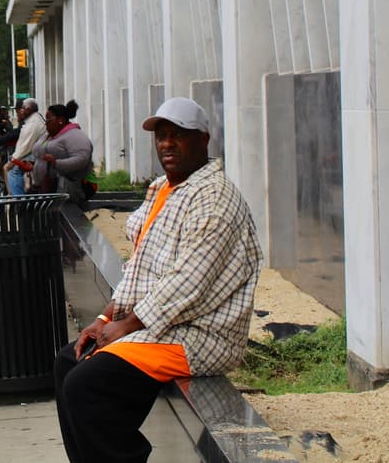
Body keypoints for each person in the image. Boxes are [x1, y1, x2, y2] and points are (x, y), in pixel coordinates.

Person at [53, 97, 261, 463]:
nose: (167, 143)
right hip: (161, 326)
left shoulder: (214, 199)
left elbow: (189, 282)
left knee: (87, 384)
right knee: (69, 361)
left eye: (178, 135)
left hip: (199, 335)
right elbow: (141, 265)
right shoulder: (165, 188)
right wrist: (104, 320)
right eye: (161, 136)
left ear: (203, 140)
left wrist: (127, 325)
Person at [30, 100, 93, 199]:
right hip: (44, 188)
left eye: (48, 120)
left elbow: (82, 159)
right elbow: (38, 152)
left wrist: (56, 163)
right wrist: (32, 164)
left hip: (66, 190)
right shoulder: (47, 135)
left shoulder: (75, 135)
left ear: (60, 120)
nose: (45, 124)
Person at [6, 98, 47, 196]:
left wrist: (13, 160)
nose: (19, 112)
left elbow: (25, 146)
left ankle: (20, 202)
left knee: (13, 171)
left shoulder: (33, 123)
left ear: (28, 109)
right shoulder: (33, 120)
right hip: (37, 152)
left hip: (38, 154)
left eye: (21, 109)